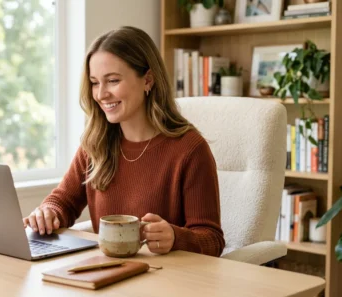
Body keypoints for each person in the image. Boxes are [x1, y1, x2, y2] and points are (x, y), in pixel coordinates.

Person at [22, 26, 225, 257]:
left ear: (148, 79)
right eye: (95, 82)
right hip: (106, 278)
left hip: (165, 283)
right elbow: (64, 202)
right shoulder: (96, 144)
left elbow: (212, 240)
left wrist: (175, 237)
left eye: (113, 80)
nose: (100, 94)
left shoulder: (189, 149)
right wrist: (48, 212)